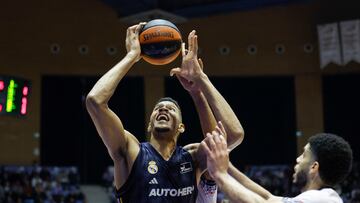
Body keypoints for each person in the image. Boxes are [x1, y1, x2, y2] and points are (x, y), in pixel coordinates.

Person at [85, 22, 244, 203]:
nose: (163, 108)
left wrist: (201, 82)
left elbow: (233, 136)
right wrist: (131, 56)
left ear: (181, 127)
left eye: (171, 109)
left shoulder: (192, 157)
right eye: (158, 108)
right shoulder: (130, 151)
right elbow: (95, 101)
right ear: (150, 123)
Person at [201, 128, 353, 203]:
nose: (298, 159)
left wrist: (220, 174)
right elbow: (268, 198)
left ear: (314, 167)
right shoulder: (317, 198)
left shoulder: (325, 199)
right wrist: (227, 166)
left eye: (304, 155)